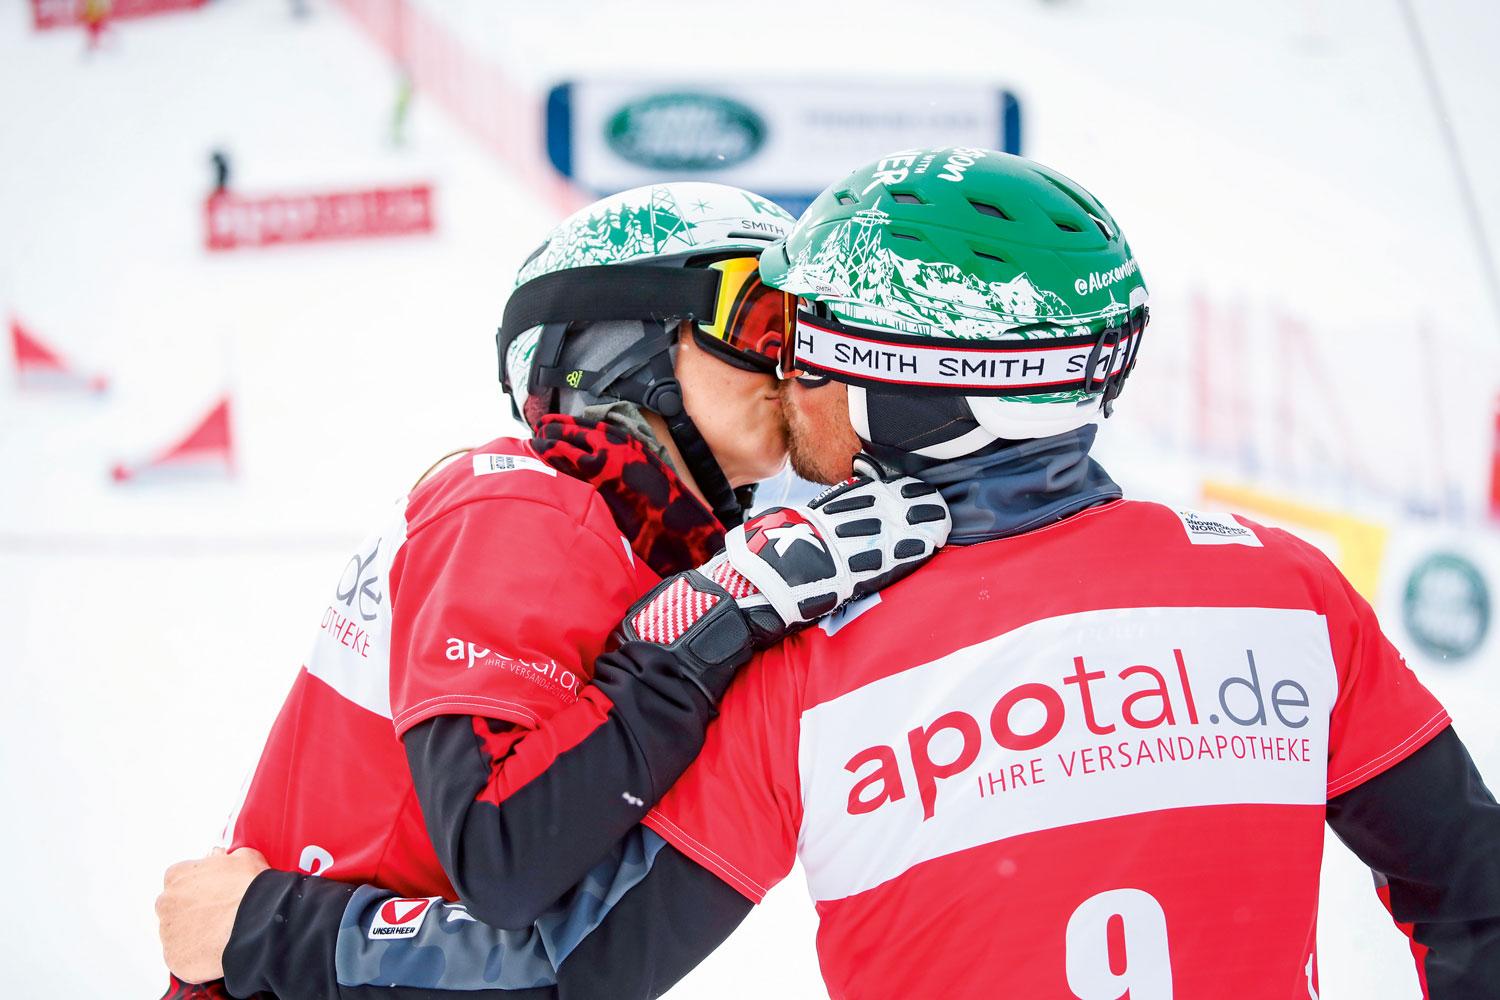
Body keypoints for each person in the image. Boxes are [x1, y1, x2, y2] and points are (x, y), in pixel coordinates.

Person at [160, 149, 1500, 998]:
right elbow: (1475, 893)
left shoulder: (814, 662)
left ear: (912, 394)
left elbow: (563, 969)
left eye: (812, 350)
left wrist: (277, 931)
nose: (791, 382)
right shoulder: (1284, 587)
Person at [155, 180, 949, 999]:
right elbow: (502, 854)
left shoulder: (633, 550)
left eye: (801, 342)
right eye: (757, 324)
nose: (788, 372)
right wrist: (701, 632)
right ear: (614, 343)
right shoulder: (525, 501)